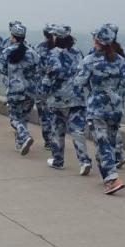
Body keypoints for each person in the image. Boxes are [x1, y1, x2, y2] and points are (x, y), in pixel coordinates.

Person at [74, 24, 125, 195]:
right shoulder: (120, 60)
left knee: (102, 143)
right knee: (109, 143)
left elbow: (78, 82)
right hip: (115, 106)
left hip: (97, 107)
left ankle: (112, 179)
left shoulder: (90, 60)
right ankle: (108, 174)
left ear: (97, 41)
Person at [41, 25, 90, 174]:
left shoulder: (53, 54)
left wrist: (43, 92)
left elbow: (51, 74)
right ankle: (84, 161)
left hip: (58, 99)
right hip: (77, 97)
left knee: (57, 131)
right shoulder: (78, 52)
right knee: (77, 131)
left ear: (57, 38)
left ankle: (58, 161)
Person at [0, 21, 40, 155]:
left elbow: (0, 68)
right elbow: (38, 69)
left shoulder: (7, 51)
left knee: (14, 119)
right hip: (30, 90)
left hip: (14, 90)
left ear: (13, 36)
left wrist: (12, 73)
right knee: (24, 118)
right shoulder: (32, 52)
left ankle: (25, 136)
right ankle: (20, 143)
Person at [35, 25, 58, 152]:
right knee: (56, 114)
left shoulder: (39, 47)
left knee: (44, 114)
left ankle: (48, 140)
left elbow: (35, 67)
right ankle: (56, 139)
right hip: (58, 86)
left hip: (42, 86)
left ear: (44, 34)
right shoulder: (61, 49)